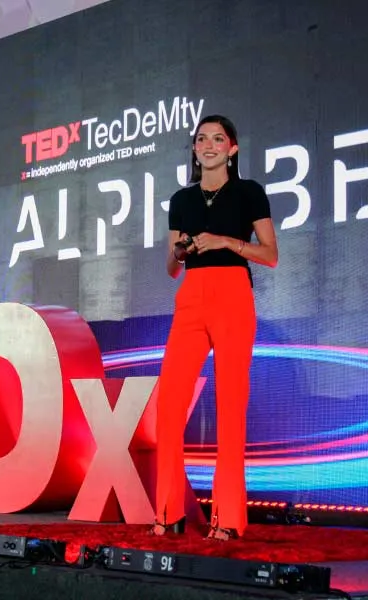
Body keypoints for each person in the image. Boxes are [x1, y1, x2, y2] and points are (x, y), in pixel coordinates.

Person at [151, 114, 278, 540]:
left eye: (217, 138)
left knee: (229, 405)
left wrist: (225, 242)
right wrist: (181, 250)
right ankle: (168, 512)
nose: (208, 145)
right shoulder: (180, 200)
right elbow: (171, 268)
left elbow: (270, 254)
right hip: (190, 297)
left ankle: (228, 519)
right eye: (201, 138)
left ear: (232, 148)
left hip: (232, 294)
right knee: (169, 406)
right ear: (194, 149)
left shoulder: (249, 193)